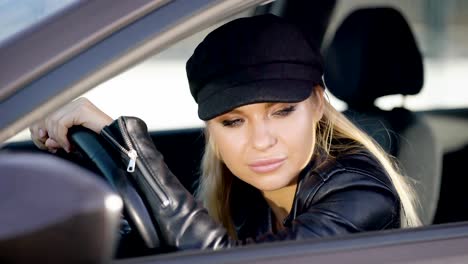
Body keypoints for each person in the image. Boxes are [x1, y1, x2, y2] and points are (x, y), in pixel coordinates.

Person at [30, 14, 421, 250]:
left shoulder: (362, 192)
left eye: (282, 111)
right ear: (211, 129)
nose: (261, 140)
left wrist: (122, 141)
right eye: (233, 121)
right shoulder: (246, 198)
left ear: (317, 104)